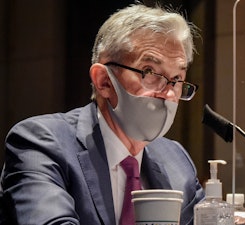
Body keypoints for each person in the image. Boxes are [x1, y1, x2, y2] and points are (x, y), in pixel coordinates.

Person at [0, 4, 205, 225]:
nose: (167, 94)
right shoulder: (42, 144)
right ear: (103, 81)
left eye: (177, 79)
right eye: (150, 72)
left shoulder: (176, 160)